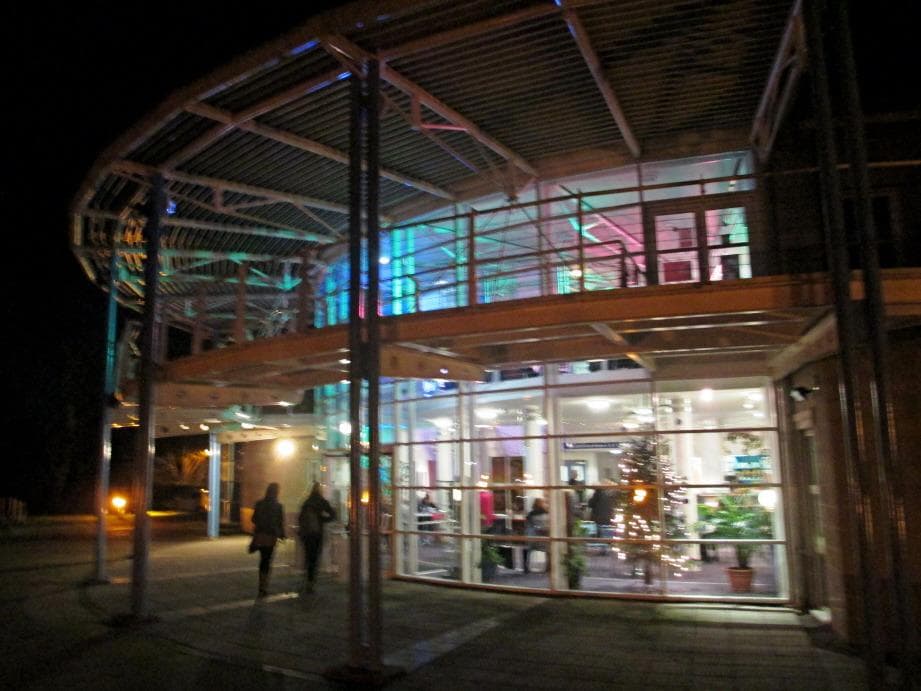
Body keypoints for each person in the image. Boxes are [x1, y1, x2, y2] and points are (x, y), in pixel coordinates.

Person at [298, 482, 336, 593]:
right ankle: (311, 582)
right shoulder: (322, 501)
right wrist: (322, 520)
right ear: (319, 490)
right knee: (315, 558)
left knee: (308, 556)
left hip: (306, 535)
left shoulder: (307, 502)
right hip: (317, 534)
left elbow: (300, 518)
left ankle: (307, 579)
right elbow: (333, 515)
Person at [250, 482, 285, 598]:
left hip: (260, 535)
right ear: (276, 492)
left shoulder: (259, 503)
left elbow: (253, 519)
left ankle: (261, 585)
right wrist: (282, 535)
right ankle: (264, 587)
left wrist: (261, 523)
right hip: (271, 537)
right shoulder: (278, 506)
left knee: (262, 560)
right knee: (268, 560)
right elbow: (280, 523)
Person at [523, 497, 549, 574]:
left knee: (528, 550)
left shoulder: (531, 514)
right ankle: (548, 567)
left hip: (533, 535)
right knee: (548, 550)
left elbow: (528, 524)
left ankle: (526, 566)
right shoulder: (546, 513)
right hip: (543, 535)